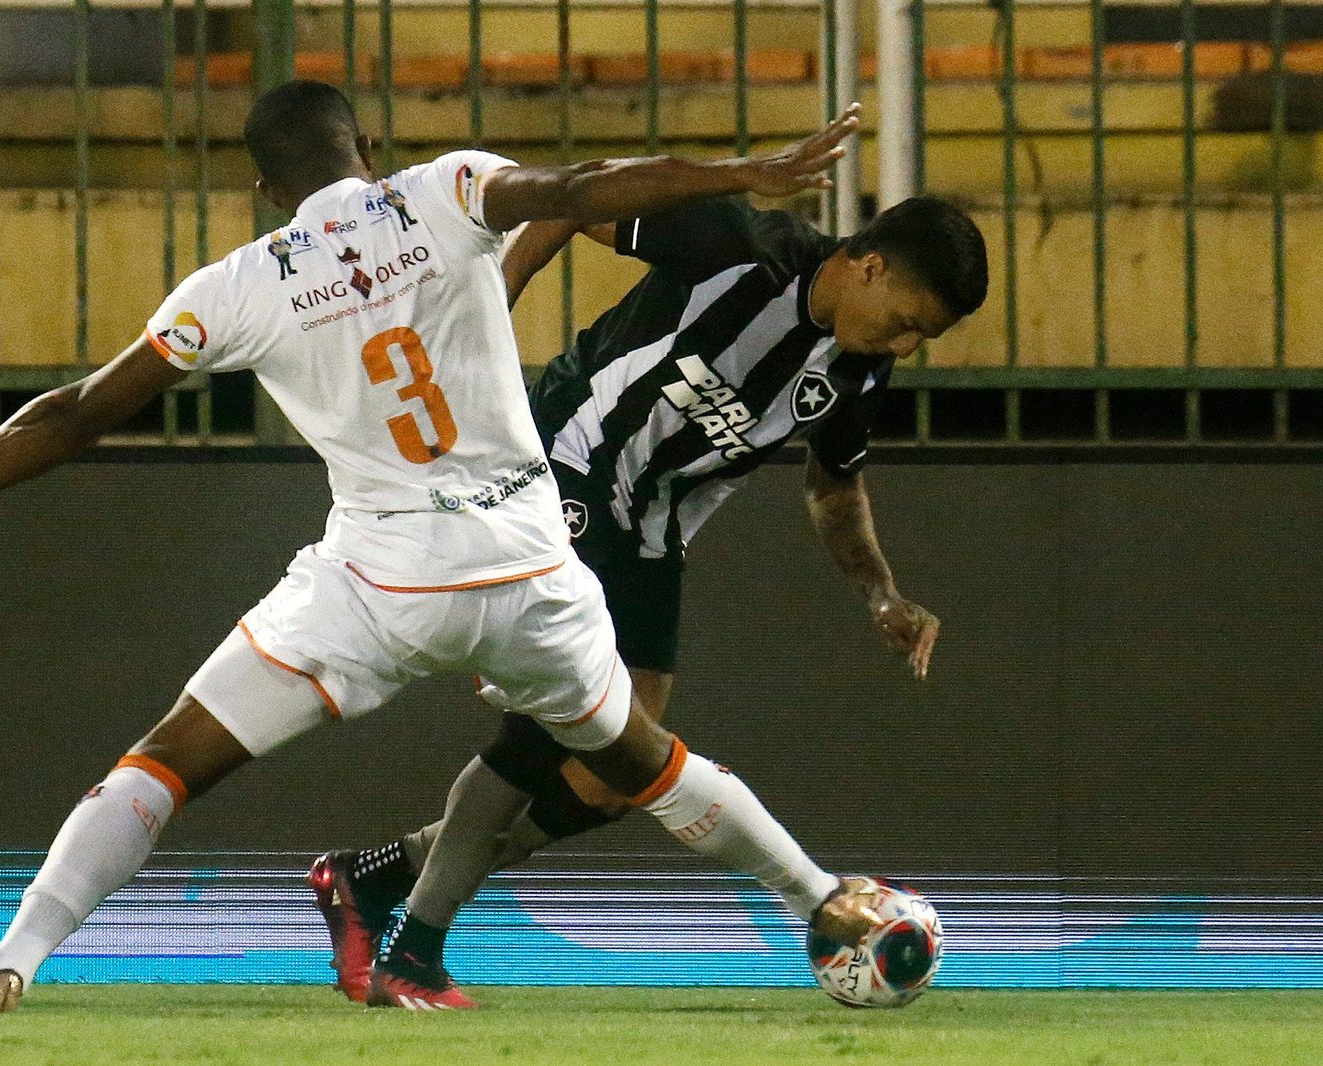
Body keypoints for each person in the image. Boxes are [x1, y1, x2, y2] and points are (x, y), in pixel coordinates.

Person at [0, 80, 878, 1014]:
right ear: (367, 149)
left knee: (166, 760)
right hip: (535, 575)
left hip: (380, 583)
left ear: (267, 189)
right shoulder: (446, 192)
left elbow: (73, 412)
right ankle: (821, 897)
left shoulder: (235, 286)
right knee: (644, 760)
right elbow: (577, 188)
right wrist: (751, 168)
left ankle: (11, 960)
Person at [308, 194, 988, 1005]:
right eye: (906, 320)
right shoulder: (739, 246)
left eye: (924, 337)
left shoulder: (858, 368)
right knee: (552, 726)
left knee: (615, 772)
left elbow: (833, 485)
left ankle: (381, 874)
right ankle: (413, 949)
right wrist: (480, 332)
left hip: (653, 530)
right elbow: (570, 203)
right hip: (567, 465)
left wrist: (881, 591)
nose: (905, 343)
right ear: (870, 265)